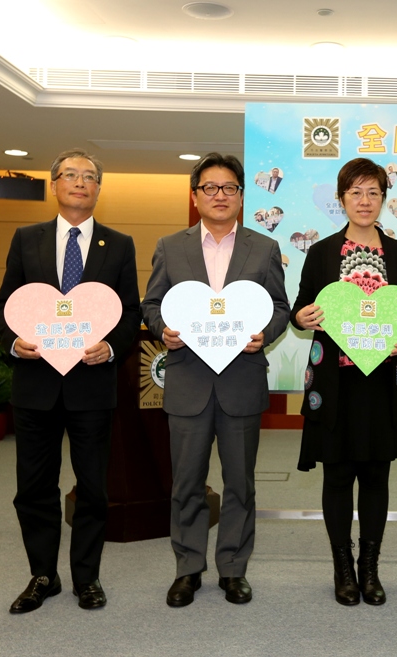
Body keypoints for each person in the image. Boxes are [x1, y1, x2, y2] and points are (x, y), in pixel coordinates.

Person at [0, 148, 141, 613]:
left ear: (99, 189)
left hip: (91, 387)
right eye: (70, 175)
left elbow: (129, 311)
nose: (80, 182)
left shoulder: (119, 244)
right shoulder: (26, 239)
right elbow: (5, 305)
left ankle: (86, 577)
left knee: (93, 487)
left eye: (89, 176)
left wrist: (111, 347)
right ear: (55, 184)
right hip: (36, 385)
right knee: (34, 488)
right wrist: (14, 342)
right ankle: (43, 575)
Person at [141, 153, 290, 608]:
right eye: (210, 187)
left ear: (242, 197)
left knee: (240, 484)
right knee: (186, 482)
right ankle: (188, 568)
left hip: (241, 382)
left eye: (229, 188)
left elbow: (279, 307)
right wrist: (162, 330)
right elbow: (151, 304)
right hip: (188, 383)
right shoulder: (171, 246)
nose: (219, 195)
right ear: (195, 196)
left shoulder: (264, 248)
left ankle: (233, 569)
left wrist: (265, 334)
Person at [292, 158, 397, 607]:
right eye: (355, 193)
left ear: (384, 198)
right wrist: (302, 317)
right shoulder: (322, 252)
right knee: (338, 475)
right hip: (336, 382)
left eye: (373, 193)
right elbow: (301, 307)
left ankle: (370, 569)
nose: (365, 201)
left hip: (381, 383)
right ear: (341, 198)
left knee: (377, 476)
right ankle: (342, 568)